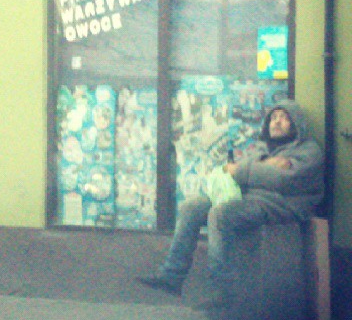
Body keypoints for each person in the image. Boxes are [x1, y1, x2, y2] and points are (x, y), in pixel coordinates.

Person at [138, 99, 324, 308]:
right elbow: (235, 171)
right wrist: (267, 166)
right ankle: (172, 275)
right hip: (250, 198)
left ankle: (222, 291)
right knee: (191, 207)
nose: (276, 122)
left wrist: (247, 170)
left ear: (296, 123)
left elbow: (283, 180)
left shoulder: (309, 150)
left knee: (221, 214)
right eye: (273, 117)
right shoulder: (262, 148)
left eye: (284, 117)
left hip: (281, 204)